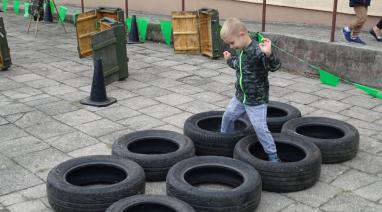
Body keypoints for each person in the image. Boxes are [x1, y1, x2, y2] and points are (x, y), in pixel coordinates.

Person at [220, 18, 281, 162]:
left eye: (232, 42)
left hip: (256, 100)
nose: (231, 46)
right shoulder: (241, 50)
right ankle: (222, 140)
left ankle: (273, 156)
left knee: (260, 128)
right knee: (227, 117)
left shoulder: (257, 51)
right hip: (240, 97)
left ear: (241, 34)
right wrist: (229, 60)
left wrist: (269, 54)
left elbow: (274, 67)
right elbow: (238, 65)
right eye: (229, 44)